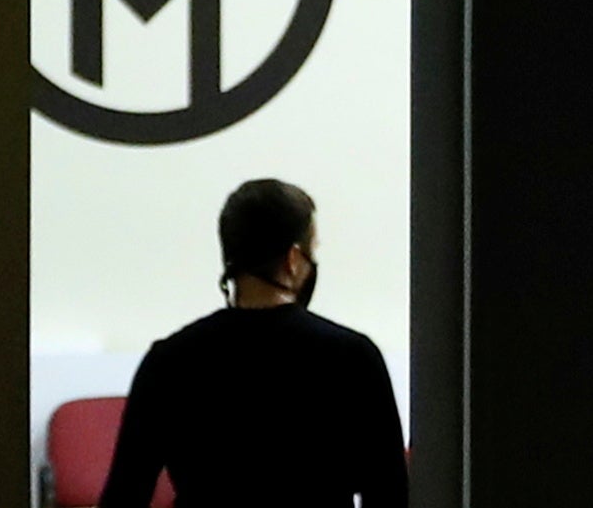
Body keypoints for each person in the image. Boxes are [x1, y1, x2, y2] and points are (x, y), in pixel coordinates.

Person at [98, 179, 409, 507]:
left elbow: (124, 493)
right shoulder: (353, 357)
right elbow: (389, 493)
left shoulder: (169, 360)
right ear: (292, 258)